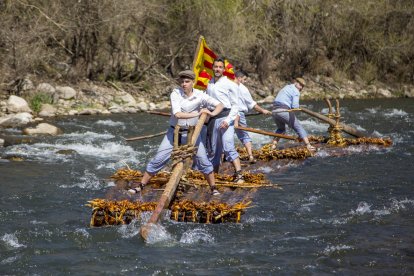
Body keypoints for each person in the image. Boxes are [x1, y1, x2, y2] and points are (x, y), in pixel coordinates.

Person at [128, 70, 224, 196]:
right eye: (182, 82)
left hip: (192, 134)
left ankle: (213, 188)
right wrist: (198, 113)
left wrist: (211, 114)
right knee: (158, 159)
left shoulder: (201, 95)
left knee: (203, 161)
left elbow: (220, 105)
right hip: (174, 133)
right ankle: (141, 185)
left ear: (193, 83)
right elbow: (177, 114)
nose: (184, 84)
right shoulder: (175, 93)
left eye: (187, 82)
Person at [206, 57, 244, 183]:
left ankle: (239, 175)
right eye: (215, 66)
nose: (217, 69)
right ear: (212, 67)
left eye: (220, 67)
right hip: (213, 119)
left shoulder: (230, 84)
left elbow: (235, 105)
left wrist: (228, 121)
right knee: (213, 150)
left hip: (226, 117)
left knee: (228, 146)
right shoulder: (209, 83)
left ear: (223, 69)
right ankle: (214, 176)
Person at [234, 69, 272, 163]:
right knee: (244, 135)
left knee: (226, 135)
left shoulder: (227, 85)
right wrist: (263, 110)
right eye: (244, 79)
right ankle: (250, 156)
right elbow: (252, 105)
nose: (245, 81)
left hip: (228, 113)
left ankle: (223, 157)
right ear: (239, 78)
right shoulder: (243, 89)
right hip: (239, 113)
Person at [271, 77, 316, 151]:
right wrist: (298, 107)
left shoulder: (287, 87)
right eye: (300, 85)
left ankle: (273, 146)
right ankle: (308, 145)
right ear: (296, 82)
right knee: (298, 127)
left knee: (281, 129)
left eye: (302, 86)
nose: (301, 88)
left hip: (274, 111)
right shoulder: (296, 91)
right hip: (283, 110)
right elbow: (295, 106)